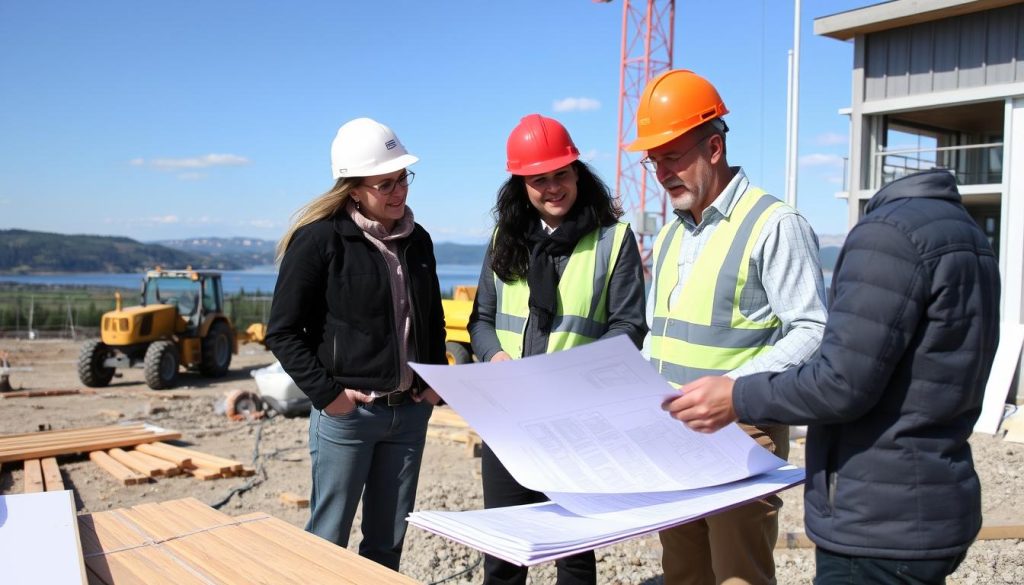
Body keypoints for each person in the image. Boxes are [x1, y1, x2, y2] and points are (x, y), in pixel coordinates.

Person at [665, 168, 1001, 585]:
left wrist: (737, 395)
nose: (663, 170)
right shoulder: (968, 238)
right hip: (933, 502)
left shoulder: (888, 236)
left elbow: (840, 383)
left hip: (877, 520)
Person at [626, 69, 828, 585]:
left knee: (738, 576)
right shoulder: (673, 232)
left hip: (741, 429)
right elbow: (661, 334)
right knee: (684, 572)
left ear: (713, 148)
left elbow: (812, 330)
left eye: (671, 156)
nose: (660, 172)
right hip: (673, 430)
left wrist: (736, 389)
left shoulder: (775, 224)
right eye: (654, 160)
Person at [469, 113, 648, 585]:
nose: (552, 188)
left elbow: (630, 325)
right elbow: (481, 322)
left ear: (577, 173)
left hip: (578, 420)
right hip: (508, 418)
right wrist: (495, 358)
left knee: (573, 554)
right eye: (538, 179)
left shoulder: (613, 240)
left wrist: (571, 375)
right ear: (520, 184)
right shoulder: (502, 241)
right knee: (505, 551)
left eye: (561, 175)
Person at [264, 117, 446, 572]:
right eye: (384, 183)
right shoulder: (320, 241)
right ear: (353, 189)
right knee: (327, 541)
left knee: (387, 544)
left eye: (402, 178)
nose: (398, 191)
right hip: (349, 416)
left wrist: (432, 381)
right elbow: (283, 332)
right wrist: (330, 397)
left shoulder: (418, 240)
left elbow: (433, 318)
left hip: (408, 414)